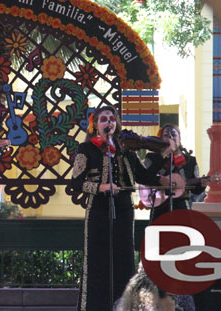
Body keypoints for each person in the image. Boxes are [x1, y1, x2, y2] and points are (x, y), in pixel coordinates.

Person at [70, 106, 170, 311]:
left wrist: (163, 158)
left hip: (123, 210)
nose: (109, 122)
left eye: (112, 119)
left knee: (123, 260)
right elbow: (76, 183)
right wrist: (101, 187)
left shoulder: (126, 151)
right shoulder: (86, 149)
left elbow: (145, 177)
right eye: (104, 119)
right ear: (95, 125)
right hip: (98, 209)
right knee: (97, 261)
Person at [143, 124, 209, 221]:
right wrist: (165, 153)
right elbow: (147, 177)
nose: (170, 137)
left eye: (174, 134)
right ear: (161, 139)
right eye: (166, 135)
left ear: (179, 139)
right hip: (159, 205)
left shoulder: (190, 161)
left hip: (182, 206)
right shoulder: (152, 158)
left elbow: (195, 189)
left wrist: (202, 185)